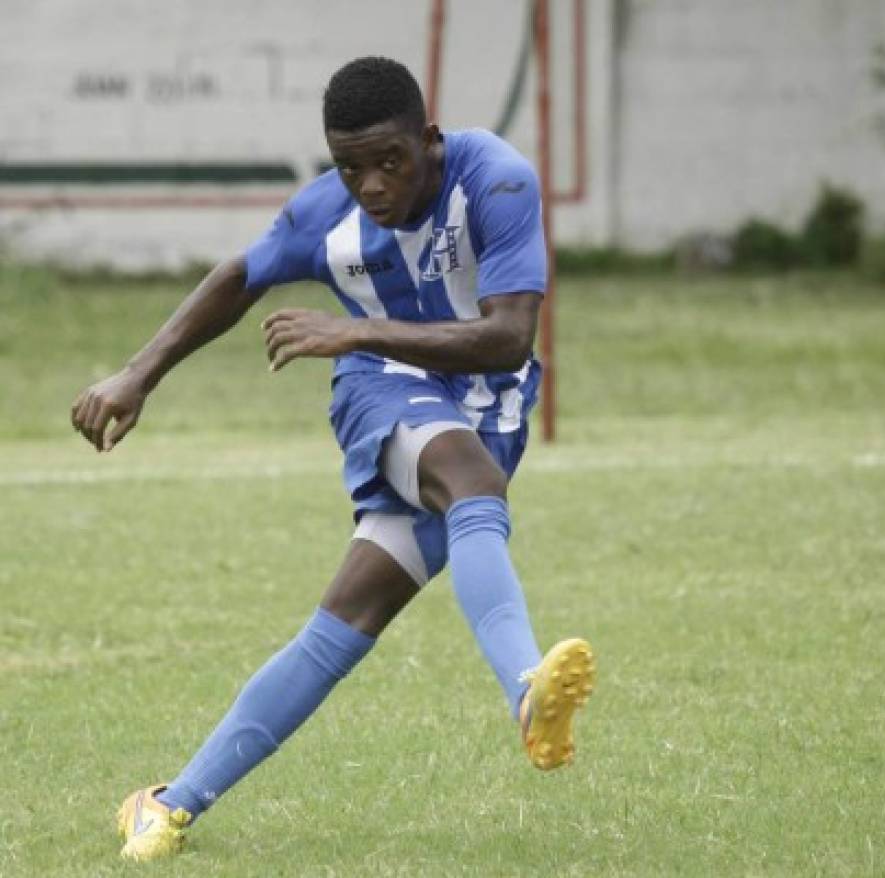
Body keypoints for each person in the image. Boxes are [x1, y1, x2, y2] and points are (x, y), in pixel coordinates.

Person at [70, 56, 596, 863]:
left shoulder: (497, 181)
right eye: (351, 168)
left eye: (391, 161)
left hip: (489, 410)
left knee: (344, 623)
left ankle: (165, 804)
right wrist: (137, 374)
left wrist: (352, 326)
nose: (373, 185)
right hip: (380, 391)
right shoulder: (326, 214)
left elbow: (507, 337)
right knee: (472, 486)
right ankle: (529, 693)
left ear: (428, 139)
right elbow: (239, 276)